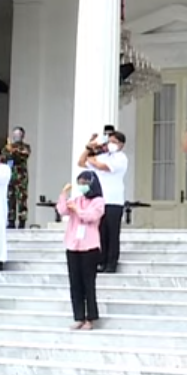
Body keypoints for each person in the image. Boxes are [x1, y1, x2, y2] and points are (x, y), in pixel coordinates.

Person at [57, 171, 106, 330]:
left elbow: (91, 217)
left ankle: (91, 317)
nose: (82, 186)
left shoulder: (98, 201)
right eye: (80, 183)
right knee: (75, 282)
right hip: (73, 244)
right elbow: (62, 210)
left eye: (85, 182)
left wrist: (77, 210)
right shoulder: (77, 199)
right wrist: (64, 194)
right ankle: (78, 316)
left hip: (89, 246)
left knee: (88, 283)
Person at [80, 130, 128, 273]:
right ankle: (101, 261)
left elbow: (102, 167)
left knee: (112, 233)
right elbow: (81, 162)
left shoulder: (121, 158)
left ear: (121, 144)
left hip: (114, 201)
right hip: (100, 200)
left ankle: (112, 263)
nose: (111, 144)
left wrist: (93, 152)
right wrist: (89, 148)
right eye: (109, 141)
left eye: (114, 142)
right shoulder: (103, 156)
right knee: (101, 232)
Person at [3, 126, 32, 229]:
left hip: (21, 178)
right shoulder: (7, 148)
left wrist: (13, 151)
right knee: (10, 199)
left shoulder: (25, 147)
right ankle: (10, 220)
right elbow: (4, 157)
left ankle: (22, 220)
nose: (16, 136)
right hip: (10, 177)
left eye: (18, 134)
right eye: (14, 134)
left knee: (22, 199)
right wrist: (9, 150)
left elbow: (23, 155)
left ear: (22, 136)